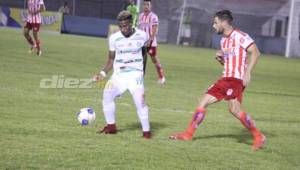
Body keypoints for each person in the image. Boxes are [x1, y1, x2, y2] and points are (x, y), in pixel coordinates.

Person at [170, 10, 266, 150]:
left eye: (215, 22)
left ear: (223, 22)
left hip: (235, 79)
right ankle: (188, 134)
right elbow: (230, 62)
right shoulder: (223, 40)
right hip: (225, 78)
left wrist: (248, 72)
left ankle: (258, 136)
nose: (213, 26)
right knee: (207, 101)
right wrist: (222, 60)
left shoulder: (240, 36)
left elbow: (256, 52)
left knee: (233, 109)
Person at [93, 11, 151, 139]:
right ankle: (111, 127)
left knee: (140, 102)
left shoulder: (143, 36)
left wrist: (142, 72)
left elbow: (144, 54)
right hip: (119, 76)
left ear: (131, 23)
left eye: (126, 25)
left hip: (135, 75)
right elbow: (110, 60)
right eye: (120, 26)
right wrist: (102, 73)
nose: (123, 29)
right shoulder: (114, 38)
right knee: (107, 94)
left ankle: (146, 133)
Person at [137, 0, 166, 84]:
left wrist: (150, 40)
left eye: (148, 5)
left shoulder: (153, 16)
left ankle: (161, 77)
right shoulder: (141, 16)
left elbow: (154, 29)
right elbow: (139, 29)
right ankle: (140, 78)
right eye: (144, 4)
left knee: (154, 59)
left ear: (150, 6)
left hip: (151, 43)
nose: (146, 6)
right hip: (142, 42)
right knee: (140, 60)